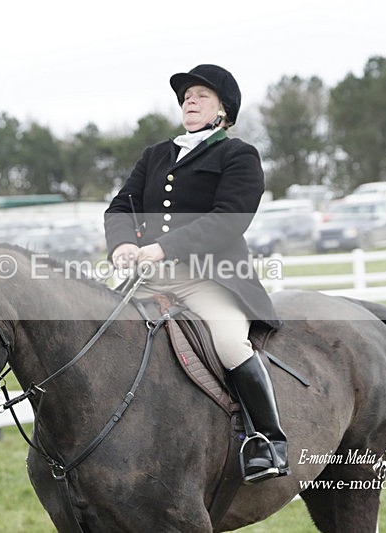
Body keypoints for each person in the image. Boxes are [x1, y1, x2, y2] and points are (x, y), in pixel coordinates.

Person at [104, 64, 288, 483]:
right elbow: (121, 206)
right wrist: (122, 244)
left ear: (224, 110)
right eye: (187, 95)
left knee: (228, 343)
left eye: (201, 95)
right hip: (148, 277)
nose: (190, 100)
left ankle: (268, 442)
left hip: (209, 277)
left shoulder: (238, 155)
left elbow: (229, 218)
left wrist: (164, 247)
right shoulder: (156, 154)